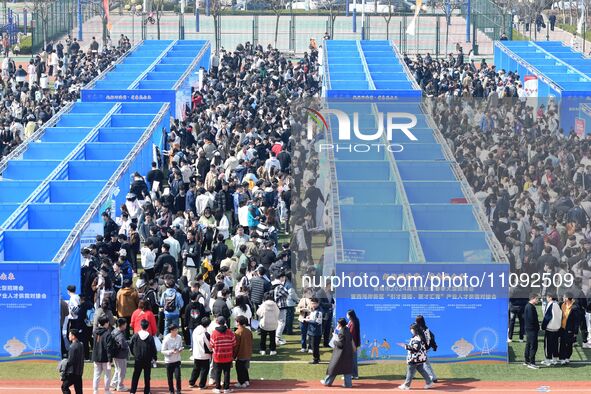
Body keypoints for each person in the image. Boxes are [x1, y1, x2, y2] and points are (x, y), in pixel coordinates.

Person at [397, 323, 433, 390]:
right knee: (421, 370)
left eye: (412, 329)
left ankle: (406, 385)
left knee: (410, 371)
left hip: (415, 358)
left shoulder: (417, 338)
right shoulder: (419, 337)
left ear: (415, 330)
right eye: (410, 329)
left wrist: (404, 346)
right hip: (419, 358)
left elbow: (415, 349)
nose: (411, 330)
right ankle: (429, 382)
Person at [321, 318, 354, 388]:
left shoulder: (341, 332)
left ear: (340, 324)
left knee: (333, 367)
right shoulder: (347, 330)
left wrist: (334, 341)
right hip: (348, 352)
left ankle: (327, 382)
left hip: (341, 354)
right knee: (346, 369)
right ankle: (348, 384)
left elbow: (341, 344)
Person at [129, 319, 157, 394]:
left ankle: (132, 391)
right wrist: (154, 357)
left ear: (140, 326)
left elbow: (130, 345)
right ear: (147, 327)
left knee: (136, 375)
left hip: (138, 358)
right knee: (147, 376)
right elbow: (153, 348)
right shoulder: (150, 337)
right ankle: (146, 391)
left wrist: (134, 353)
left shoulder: (135, 335)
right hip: (147, 359)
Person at [210, 316, 236, 394]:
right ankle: (226, 388)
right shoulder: (230, 332)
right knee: (226, 372)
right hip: (228, 356)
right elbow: (234, 343)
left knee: (217, 372)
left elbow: (212, 344)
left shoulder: (214, 333)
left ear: (217, 323)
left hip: (217, 356)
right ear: (225, 322)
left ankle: (217, 388)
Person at [92, 316, 114, 394]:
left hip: (96, 357)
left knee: (96, 375)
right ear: (106, 323)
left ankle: (95, 391)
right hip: (105, 358)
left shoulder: (95, 331)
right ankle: (107, 391)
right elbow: (109, 348)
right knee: (107, 375)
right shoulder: (108, 334)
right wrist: (110, 360)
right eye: (107, 322)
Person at [189, 317, 212, 389]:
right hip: (204, 354)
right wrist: (211, 351)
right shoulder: (205, 333)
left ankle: (191, 383)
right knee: (204, 370)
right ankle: (202, 385)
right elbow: (208, 345)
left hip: (196, 353)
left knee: (196, 369)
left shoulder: (196, 330)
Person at [559, 292, 581, 365]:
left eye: (564, 297)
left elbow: (576, 321)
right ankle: (562, 358)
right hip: (562, 328)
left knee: (569, 344)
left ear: (567, 298)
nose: (563, 298)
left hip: (570, 329)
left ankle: (567, 358)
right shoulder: (562, 305)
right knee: (562, 343)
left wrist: (575, 332)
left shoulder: (575, 308)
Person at [161, 324, 184, 394]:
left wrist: (180, 349)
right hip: (169, 361)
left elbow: (180, 346)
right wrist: (171, 352)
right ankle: (171, 390)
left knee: (178, 376)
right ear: (171, 331)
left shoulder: (179, 337)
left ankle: (179, 390)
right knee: (170, 377)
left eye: (177, 330)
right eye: (175, 330)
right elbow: (162, 351)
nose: (177, 331)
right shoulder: (166, 338)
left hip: (177, 360)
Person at [415, 315, 437, 383]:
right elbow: (432, 336)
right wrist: (434, 346)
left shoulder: (418, 328)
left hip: (422, 348)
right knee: (416, 362)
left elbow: (421, 339)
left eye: (416, 320)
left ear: (417, 321)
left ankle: (433, 378)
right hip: (426, 348)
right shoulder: (426, 328)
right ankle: (409, 375)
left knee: (424, 363)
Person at [61, 329, 85, 394]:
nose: (69, 336)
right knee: (79, 391)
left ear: (73, 336)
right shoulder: (81, 345)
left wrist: (64, 365)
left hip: (72, 372)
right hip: (79, 372)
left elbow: (70, 361)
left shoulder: (72, 346)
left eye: (70, 334)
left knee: (64, 387)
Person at [541, 294, 562, 366]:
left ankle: (548, 359)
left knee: (548, 345)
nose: (546, 298)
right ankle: (555, 359)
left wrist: (543, 326)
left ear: (550, 297)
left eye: (547, 297)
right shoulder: (557, 305)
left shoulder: (551, 304)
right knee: (555, 344)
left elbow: (547, 317)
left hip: (550, 328)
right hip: (557, 328)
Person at [110, 318, 130, 392]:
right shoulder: (120, 335)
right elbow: (124, 345)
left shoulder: (114, 331)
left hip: (115, 354)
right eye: (125, 324)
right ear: (122, 325)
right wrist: (128, 343)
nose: (126, 325)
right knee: (122, 371)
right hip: (121, 356)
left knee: (117, 370)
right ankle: (120, 386)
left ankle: (114, 383)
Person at [234, 315, 253, 388]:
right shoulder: (248, 331)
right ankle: (246, 380)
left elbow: (236, 345)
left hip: (241, 354)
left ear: (239, 322)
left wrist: (234, 355)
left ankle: (241, 382)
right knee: (245, 368)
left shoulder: (238, 332)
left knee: (239, 368)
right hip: (247, 353)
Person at [523, 293, 540, 369]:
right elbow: (531, 319)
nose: (538, 300)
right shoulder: (530, 307)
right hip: (532, 329)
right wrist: (536, 327)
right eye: (537, 299)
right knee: (533, 346)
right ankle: (532, 363)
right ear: (533, 298)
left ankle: (527, 361)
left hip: (529, 329)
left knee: (529, 345)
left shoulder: (528, 306)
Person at [306, 297, 323, 364]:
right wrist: (309, 317)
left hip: (316, 332)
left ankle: (315, 359)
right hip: (311, 331)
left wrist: (308, 320)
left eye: (314, 303)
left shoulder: (319, 312)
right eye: (312, 303)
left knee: (314, 346)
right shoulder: (313, 310)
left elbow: (317, 322)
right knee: (314, 346)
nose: (313, 305)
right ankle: (317, 358)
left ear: (318, 304)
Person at [347, 310, 361, 380]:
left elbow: (351, 333)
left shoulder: (353, 322)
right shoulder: (353, 321)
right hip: (353, 343)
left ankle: (354, 374)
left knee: (353, 359)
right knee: (352, 359)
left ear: (350, 315)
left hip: (353, 343)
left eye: (347, 314)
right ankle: (353, 374)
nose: (346, 315)